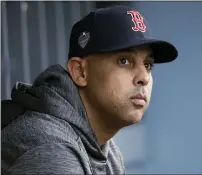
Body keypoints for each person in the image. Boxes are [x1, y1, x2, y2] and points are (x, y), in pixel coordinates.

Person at [1, 5, 178, 174]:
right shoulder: (53, 150)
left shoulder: (107, 150)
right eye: (124, 60)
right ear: (80, 72)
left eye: (148, 64)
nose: (144, 78)